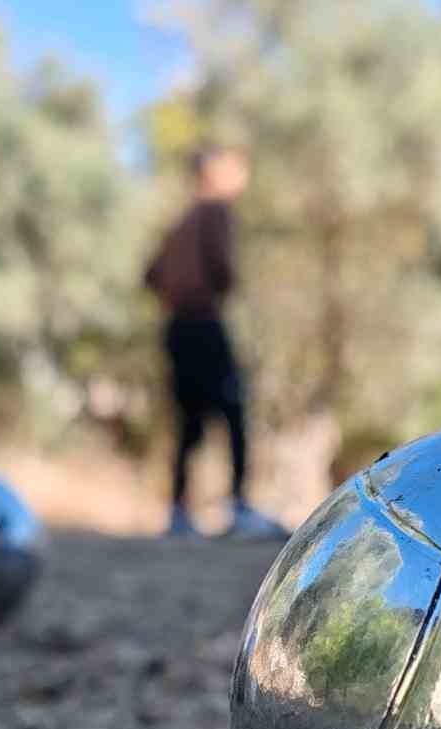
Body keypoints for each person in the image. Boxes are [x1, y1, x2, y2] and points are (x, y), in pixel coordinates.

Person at [144, 144, 286, 539]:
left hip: (175, 328)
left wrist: (177, 291)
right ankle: (239, 506)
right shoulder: (216, 213)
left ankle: (178, 511)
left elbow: (149, 275)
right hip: (204, 323)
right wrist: (208, 288)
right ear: (216, 172)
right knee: (234, 410)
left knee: (189, 421)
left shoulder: (178, 223)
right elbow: (224, 271)